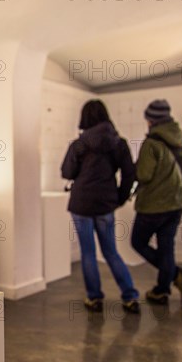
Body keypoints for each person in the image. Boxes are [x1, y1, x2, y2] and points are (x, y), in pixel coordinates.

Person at [61, 100, 139, 313]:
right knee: (111, 252)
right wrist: (119, 198)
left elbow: (66, 172)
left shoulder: (79, 144)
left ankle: (94, 298)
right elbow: (130, 174)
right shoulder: (118, 143)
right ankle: (130, 296)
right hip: (105, 204)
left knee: (88, 253)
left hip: (81, 203)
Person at [131, 100, 182, 304]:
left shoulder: (152, 143)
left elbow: (144, 175)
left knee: (138, 242)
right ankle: (162, 290)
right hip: (176, 204)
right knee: (166, 246)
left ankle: (174, 274)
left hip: (153, 206)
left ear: (151, 120)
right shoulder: (181, 140)